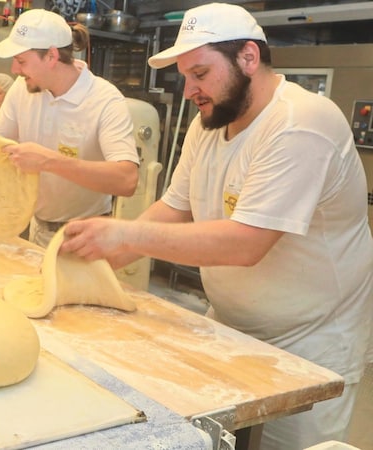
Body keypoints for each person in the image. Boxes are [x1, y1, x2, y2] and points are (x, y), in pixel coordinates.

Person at [59, 4, 373, 449]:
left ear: (248, 57)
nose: (189, 90)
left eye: (200, 74)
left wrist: (125, 234)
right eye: (186, 76)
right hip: (229, 326)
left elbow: (246, 244)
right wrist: (90, 265)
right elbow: (175, 207)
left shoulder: (301, 123)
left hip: (311, 343)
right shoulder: (210, 121)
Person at [0, 9, 139, 247]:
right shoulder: (21, 89)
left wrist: (50, 162)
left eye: (21, 61)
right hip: (37, 228)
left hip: (86, 237)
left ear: (52, 56)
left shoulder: (104, 100)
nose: (14, 70)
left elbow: (126, 180)